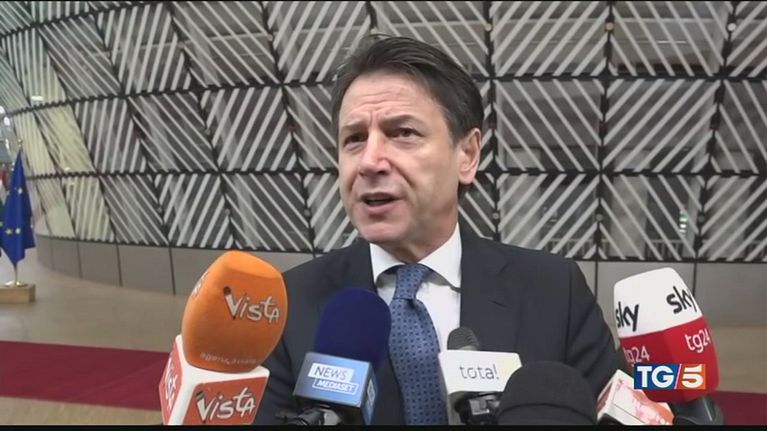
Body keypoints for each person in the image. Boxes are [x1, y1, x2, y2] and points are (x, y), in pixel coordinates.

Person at [254, 34, 617, 425]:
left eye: (403, 133)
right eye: (354, 139)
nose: (370, 161)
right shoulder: (287, 304)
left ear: (468, 155)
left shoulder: (555, 291)